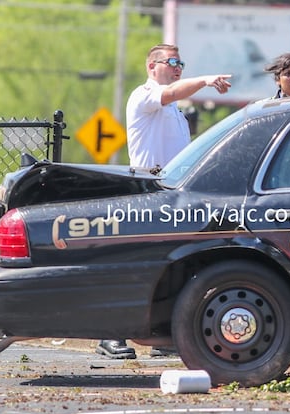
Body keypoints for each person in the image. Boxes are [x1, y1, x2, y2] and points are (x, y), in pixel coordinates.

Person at [97, 43, 232, 360]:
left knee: (170, 265)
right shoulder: (144, 96)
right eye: (171, 61)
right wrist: (206, 79)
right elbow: (171, 93)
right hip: (146, 191)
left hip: (172, 194)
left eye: (180, 62)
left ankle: (160, 335)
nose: (177, 66)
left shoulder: (175, 111)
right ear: (151, 66)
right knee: (131, 264)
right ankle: (108, 333)